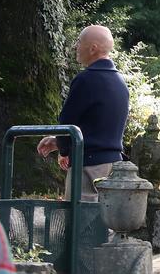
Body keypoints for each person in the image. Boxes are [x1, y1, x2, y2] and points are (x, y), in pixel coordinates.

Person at [35, 25, 128, 200]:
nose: (75, 47)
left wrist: (63, 149)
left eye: (79, 42)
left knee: (80, 222)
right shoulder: (119, 81)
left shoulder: (86, 79)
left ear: (93, 48)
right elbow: (98, 125)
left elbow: (67, 122)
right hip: (114, 164)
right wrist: (58, 142)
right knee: (104, 223)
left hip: (88, 166)